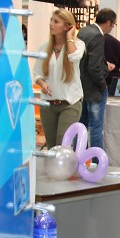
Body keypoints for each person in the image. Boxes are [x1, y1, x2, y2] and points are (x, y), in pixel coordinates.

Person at [34, 9, 85, 149]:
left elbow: (73, 57)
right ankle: (54, 171)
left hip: (70, 103)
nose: (51, 24)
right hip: (48, 104)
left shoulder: (78, 45)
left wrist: (69, 36)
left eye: (56, 21)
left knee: (62, 146)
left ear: (67, 26)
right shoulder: (44, 47)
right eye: (51, 20)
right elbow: (36, 74)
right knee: (52, 148)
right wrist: (42, 83)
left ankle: (66, 171)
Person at [77, 8, 113, 150]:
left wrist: (104, 65)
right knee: (96, 129)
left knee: (81, 127)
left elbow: (85, 61)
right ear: (109, 22)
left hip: (81, 87)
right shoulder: (98, 36)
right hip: (94, 89)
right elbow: (93, 66)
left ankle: (78, 158)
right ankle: (97, 163)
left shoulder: (83, 31)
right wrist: (103, 85)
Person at [103, 30, 120, 95]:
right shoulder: (117, 43)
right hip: (116, 80)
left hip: (101, 80)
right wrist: (115, 67)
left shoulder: (97, 42)